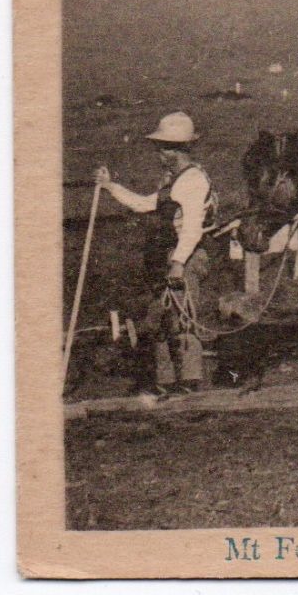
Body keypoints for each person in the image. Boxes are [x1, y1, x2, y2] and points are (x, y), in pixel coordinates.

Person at [95, 111, 217, 393]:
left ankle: (189, 384)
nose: (159, 153)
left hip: (188, 254)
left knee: (182, 317)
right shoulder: (174, 180)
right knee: (161, 316)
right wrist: (110, 186)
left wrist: (177, 263)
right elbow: (144, 204)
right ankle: (166, 382)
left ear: (175, 150)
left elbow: (192, 228)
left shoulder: (192, 181)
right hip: (174, 254)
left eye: (163, 148)